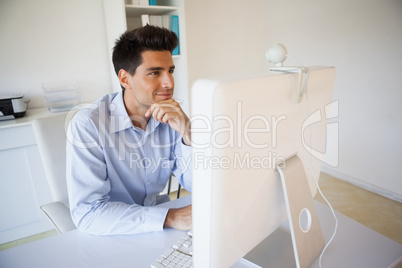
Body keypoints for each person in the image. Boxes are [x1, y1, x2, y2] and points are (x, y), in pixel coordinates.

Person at [66, 25, 192, 235]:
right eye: (154, 73)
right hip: (112, 231)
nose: (169, 83)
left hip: (158, 227)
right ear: (125, 79)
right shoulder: (88, 125)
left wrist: (188, 134)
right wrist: (172, 217)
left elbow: (199, 184)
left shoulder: (170, 117)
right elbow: (88, 213)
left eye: (170, 71)